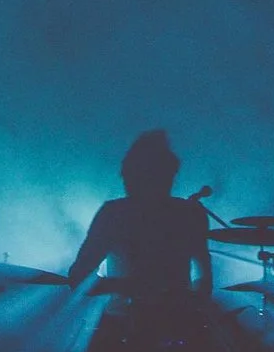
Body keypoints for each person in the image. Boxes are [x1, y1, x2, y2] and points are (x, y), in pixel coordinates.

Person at [67, 129, 214, 304]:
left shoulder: (114, 214)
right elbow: (78, 277)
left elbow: (78, 278)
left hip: (148, 320)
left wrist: (125, 287)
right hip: (151, 320)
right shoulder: (189, 213)